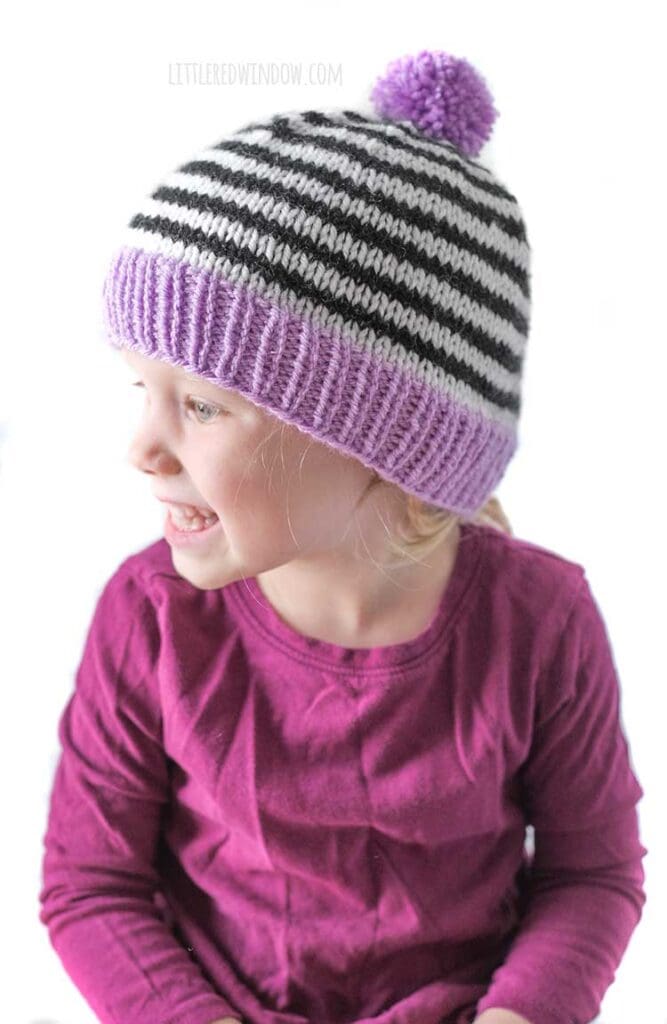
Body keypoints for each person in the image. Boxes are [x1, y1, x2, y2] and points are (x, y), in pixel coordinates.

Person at [38, 48, 646, 1024]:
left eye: (199, 403)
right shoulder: (149, 617)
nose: (142, 448)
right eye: (139, 389)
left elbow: (591, 873)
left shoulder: (540, 619)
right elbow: (91, 884)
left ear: (382, 444)